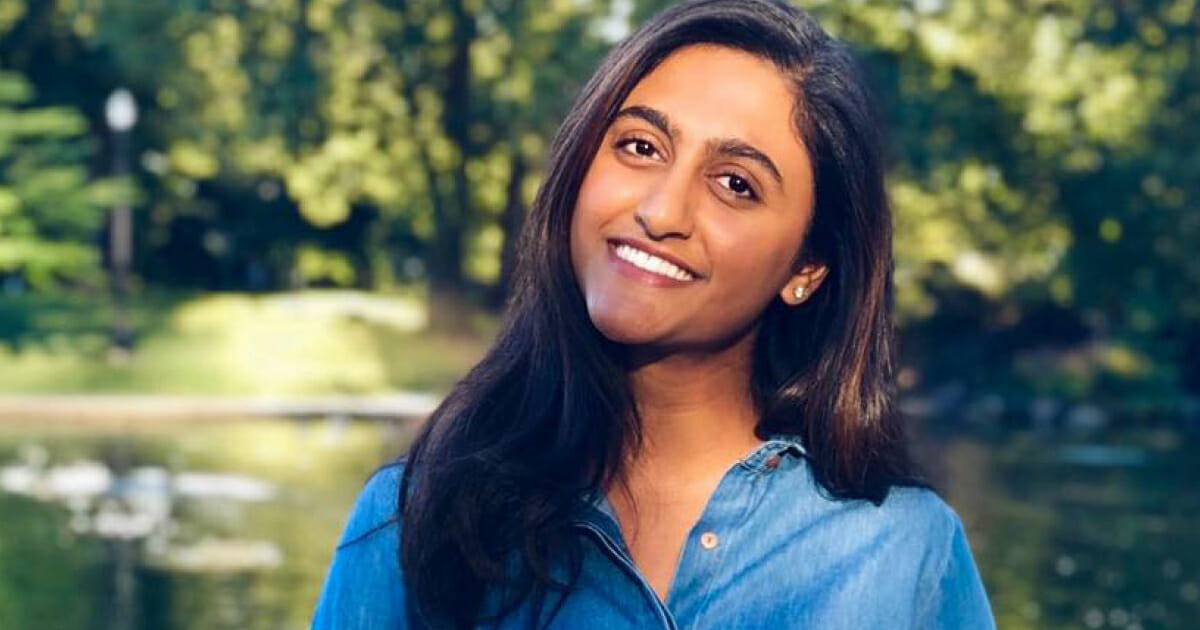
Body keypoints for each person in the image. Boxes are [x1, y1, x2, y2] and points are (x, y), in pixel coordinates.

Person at [311, 0, 997, 628]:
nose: (660, 212)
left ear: (806, 269)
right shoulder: (411, 521)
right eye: (640, 147)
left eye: (736, 184)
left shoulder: (904, 557)